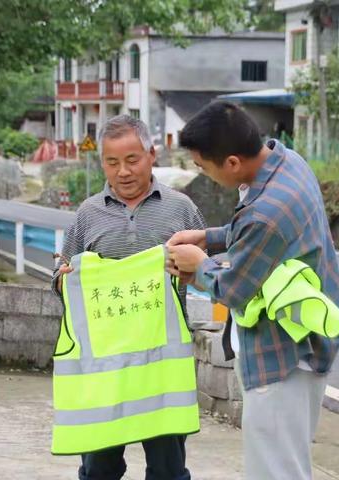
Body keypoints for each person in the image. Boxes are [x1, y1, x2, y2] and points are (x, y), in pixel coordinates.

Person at [166, 101, 339, 480]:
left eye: (202, 166)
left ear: (231, 162)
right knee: (289, 463)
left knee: (276, 471)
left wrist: (197, 266)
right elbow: (259, 237)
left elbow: (234, 289)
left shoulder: (265, 214)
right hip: (307, 343)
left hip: (280, 358)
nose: (202, 172)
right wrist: (210, 237)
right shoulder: (287, 163)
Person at [53, 115, 205, 480]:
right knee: (99, 469)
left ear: (151, 155)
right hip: (105, 370)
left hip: (161, 369)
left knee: (168, 470)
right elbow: (61, 276)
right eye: (112, 162)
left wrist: (193, 271)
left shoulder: (181, 210)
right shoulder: (88, 215)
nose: (122, 172)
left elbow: (207, 271)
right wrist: (63, 281)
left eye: (132, 160)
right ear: (102, 162)